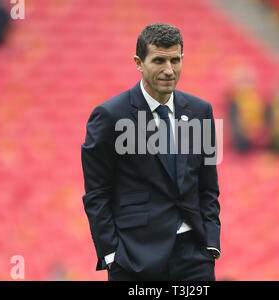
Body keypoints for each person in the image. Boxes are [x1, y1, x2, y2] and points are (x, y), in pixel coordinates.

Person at [81, 23, 221, 281]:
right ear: (138, 62)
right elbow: (97, 194)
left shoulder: (202, 112)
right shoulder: (109, 116)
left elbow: (208, 186)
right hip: (135, 260)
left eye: (175, 60)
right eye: (159, 60)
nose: (169, 70)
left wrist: (211, 243)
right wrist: (111, 255)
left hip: (194, 259)